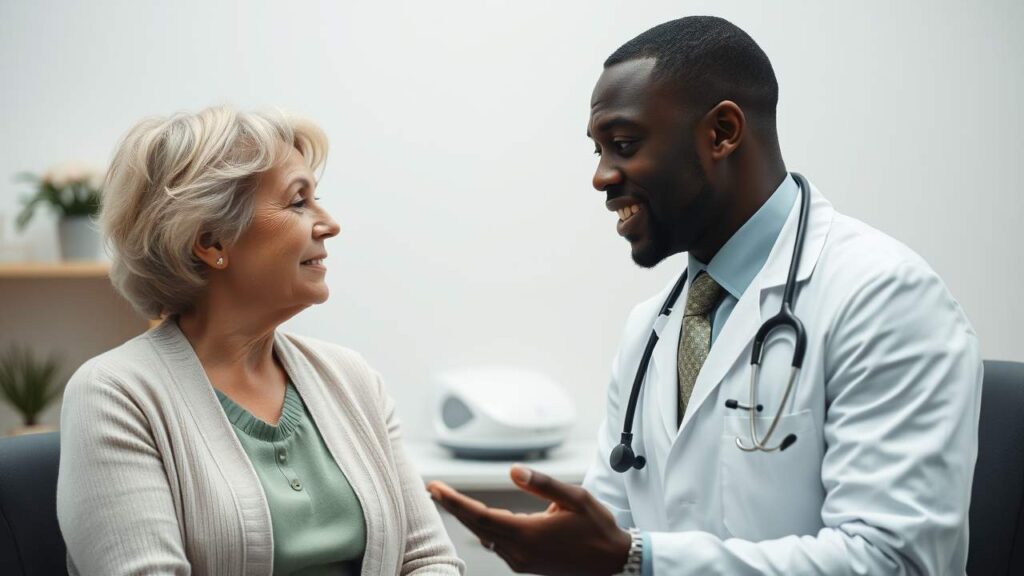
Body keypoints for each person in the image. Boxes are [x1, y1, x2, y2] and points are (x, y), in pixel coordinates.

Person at [427, 16, 982, 575]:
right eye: (597, 151)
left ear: (721, 132)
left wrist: (639, 560)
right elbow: (609, 533)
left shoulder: (883, 297)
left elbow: (897, 561)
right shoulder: (652, 329)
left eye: (622, 144)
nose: (601, 177)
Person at [56, 106, 465, 576]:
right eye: (297, 202)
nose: (330, 223)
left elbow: (428, 560)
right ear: (211, 241)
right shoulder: (115, 394)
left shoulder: (352, 380)